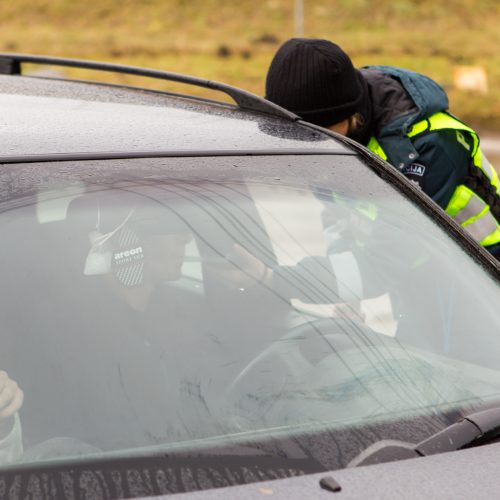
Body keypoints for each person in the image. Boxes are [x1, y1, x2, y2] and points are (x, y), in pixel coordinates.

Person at [264, 38, 500, 260]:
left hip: (483, 273)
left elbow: (392, 255)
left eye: (316, 132)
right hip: (427, 273)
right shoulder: (336, 141)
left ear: (347, 115)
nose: (308, 143)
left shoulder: (426, 146)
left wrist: (283, 281)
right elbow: (337, 218)